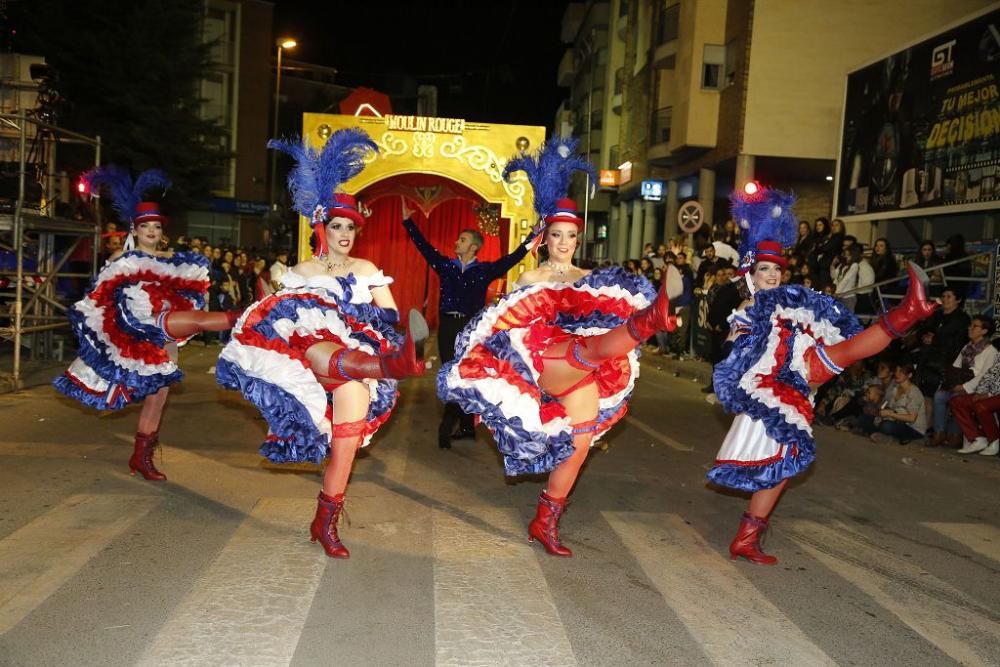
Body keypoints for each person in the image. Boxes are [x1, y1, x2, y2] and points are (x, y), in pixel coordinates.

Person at [438, 137, 682, 557]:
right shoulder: (530, 281)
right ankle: (650, 322)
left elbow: (608, 316)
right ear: (545, 237)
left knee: (581, 442)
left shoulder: (591, 278)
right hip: (543, 362)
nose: (565, 242)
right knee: (584, 352)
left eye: (571, 235)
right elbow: (504, 326)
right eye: (557, 234)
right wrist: (490, 381)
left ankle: (546, 520)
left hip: (587, 366)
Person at [217, 129, 428, 559]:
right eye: (338, 225)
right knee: (321, 337)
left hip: (357, 364)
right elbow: (278, 315)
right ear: (322, 227)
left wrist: (395, 332)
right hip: (311, 357)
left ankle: (325, 522)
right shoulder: (302, 272)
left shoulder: (368, 268)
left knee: (346, 444)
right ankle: (396, 366)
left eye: (351, 226)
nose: (346, 233)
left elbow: (390, 316)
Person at [707, 185, 937, 565]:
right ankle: (908, 313)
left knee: (782, 465)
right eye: (764, 269)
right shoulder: (748, 306)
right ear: (751, 273)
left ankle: (747, 538)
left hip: (797, 376)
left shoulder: (788, 301)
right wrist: (741, 337)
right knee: (844, 356)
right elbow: (732, 352)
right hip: (770, 386)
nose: (772, 276)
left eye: (777, 270)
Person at [54, 166, 240, 481]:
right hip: (142, 332)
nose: (152, 231)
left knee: (159, 397)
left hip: (165, 338)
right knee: (195, 326)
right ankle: (244, 317)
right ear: (135, 230)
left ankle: (141, 457)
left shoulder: (172, 260)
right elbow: (102, 299)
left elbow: (189, 291)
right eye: (146, 227)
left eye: (156, 226)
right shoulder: (122, 261)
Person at [401, 196, 537, 449]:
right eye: (457, 239)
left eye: (462, 240)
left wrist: (532, 239)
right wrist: (408, 222)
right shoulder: (447, 266)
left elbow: (512, 258)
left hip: (470, 329)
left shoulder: (484, 270)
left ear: (474, 246)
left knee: (463, 374)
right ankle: (464, 425)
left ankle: (451, 423)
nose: (456, 242)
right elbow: (424, 248)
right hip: (447, 326)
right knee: (450, 371)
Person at [932, 316, 998, 450]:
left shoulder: (990, 351)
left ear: (984, 331)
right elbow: (955, 368)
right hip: (960, 383)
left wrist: (963, 387)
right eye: (970, 325)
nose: (970, 328)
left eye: (975, 326)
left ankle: (955, 435)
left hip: (978, 388)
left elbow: (984, 376)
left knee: (957, 398)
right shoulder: (967, 347)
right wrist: (951, 383)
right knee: (940, 395)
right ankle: (939, 433)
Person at [858, 363, 927, 444]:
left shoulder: (914, 392)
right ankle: (878, 435)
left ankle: (880, 435)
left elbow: (911, 418)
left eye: (901, 372)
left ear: (909, 375)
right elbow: (889, 408)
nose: (897, 374)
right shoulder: (896, 389)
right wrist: (878, 411)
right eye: (896, 371)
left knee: (886, 426)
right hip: (896, 421)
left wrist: (890, 414)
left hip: (913, 428)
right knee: (865, 417)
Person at [949, 353, 1000, 456]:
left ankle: (994, 441)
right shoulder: (998, 355)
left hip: (995, 394)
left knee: (981, 406)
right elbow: (988, 376)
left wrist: (988, 394)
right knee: (957, 401)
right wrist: (979, 391)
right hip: (988, 392)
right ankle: (977, 438)